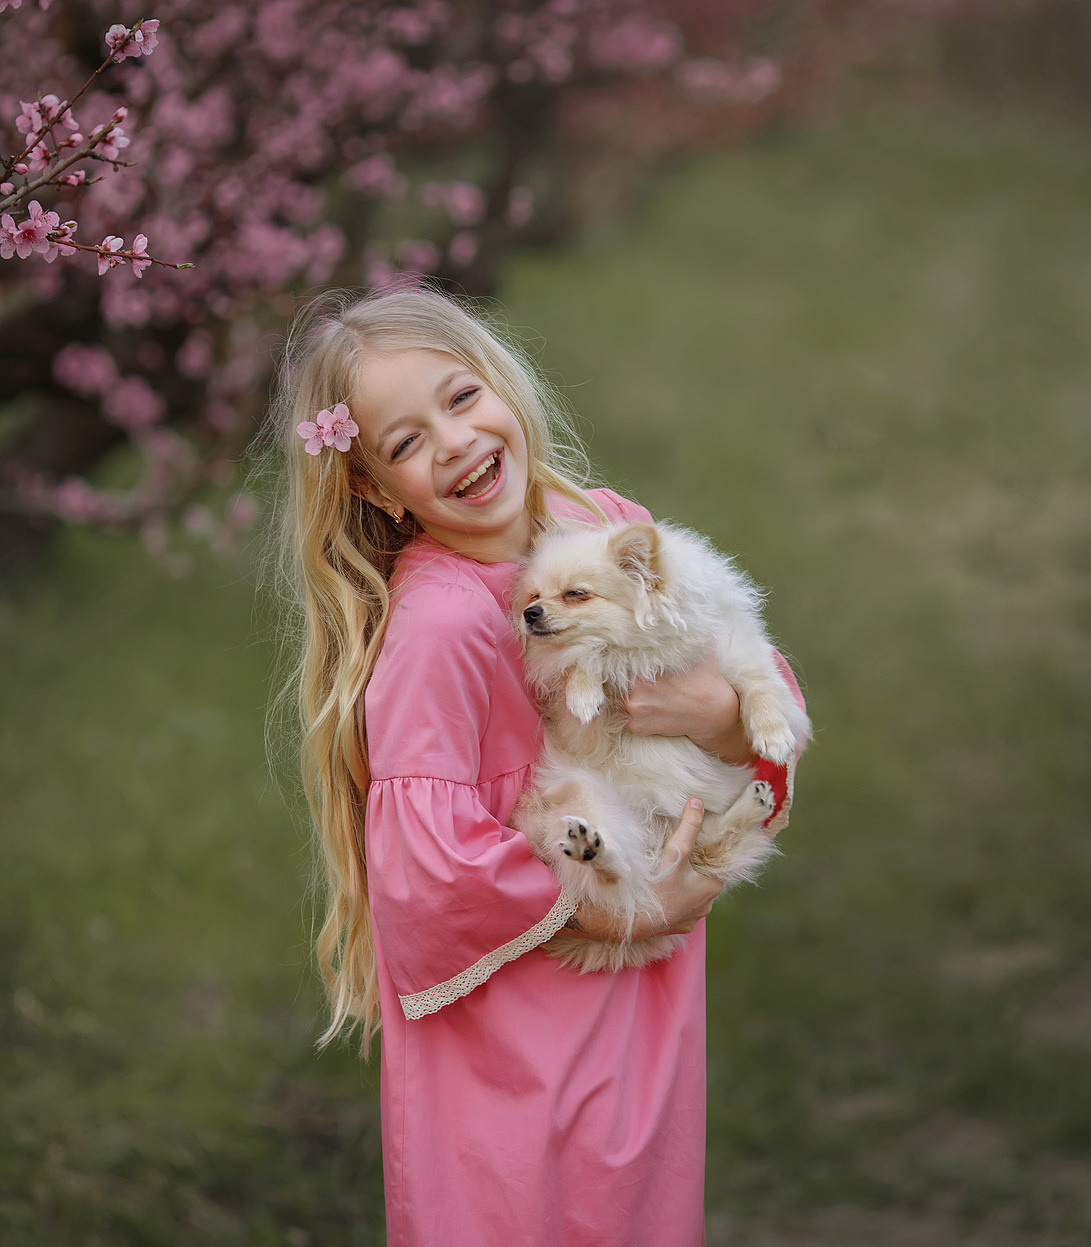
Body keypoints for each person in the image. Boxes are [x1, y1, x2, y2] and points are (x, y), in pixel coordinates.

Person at [269, 285, 804, 1246]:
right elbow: (428, 865)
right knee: (530, 1215)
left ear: (504, 385)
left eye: (461, 397)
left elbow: (745, 671)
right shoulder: (441, 626)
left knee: (632, 1211)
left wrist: (725, 719)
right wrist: (630, 906)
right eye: (406, 441)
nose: (455, 442)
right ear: (376, 488)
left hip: (635, 1010)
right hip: (516, 1036)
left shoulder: (596, 525)